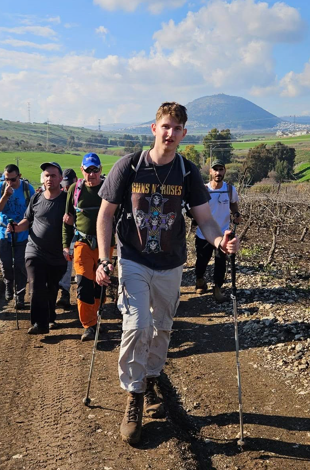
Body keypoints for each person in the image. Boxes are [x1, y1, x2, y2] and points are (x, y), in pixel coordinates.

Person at [95, 102, 239, 446]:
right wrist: (104, 259)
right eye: (166, 126)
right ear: (154, 128)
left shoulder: (187, 173)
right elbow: (105, 215)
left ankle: (152, 375)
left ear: (184, 134)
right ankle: (134, 394)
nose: (171, 133)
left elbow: (204, 219)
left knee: (162, 327)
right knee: (137, 325)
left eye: (177, 129)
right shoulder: (129, 167)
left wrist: (220, 240)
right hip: (133, 258)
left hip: (172, 263)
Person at [7, 162, 67, 335]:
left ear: (60, 179)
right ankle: (39, 324)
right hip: (35, 250)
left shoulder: (66, 200)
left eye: (53, 175)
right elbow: (27, 219)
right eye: (47, 175)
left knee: (51, 287)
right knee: (36, 286)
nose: (49, 179)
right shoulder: (36, 198)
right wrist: (17, 227)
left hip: (58, 254)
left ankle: (50, 316)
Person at [63, 153, 110, 342]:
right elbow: (67, 220)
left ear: (100, 170)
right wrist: (65, 245)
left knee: (100, 284)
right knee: (83, 284)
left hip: (105, 245)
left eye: (95, 170)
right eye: (88, 170)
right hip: (82, 243)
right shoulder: (75, 189)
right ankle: (89, 325)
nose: (91, 174)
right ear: (81, 170)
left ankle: (96, 316)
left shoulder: (108, 189)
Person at [194, 159, 241, 302]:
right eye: (215, 169)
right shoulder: (204, 190)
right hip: (204, 234)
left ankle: (217, 288)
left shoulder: (230, 189)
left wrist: (236, 214)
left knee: (221, 263)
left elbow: (234, 205)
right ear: (210, 172)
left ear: (224, 171)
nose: (218, 173)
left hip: (223, 234)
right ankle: (200, 280)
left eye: (221, 169)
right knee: (202, 261)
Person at [0, 164, 33, 308]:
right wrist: (5, 196)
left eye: (13, 179)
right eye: (6, 179)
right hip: (5, 233)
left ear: (19, 176)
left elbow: (33, 211)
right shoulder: (0, 187)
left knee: (21, 266)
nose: (9, 182)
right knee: (6, 264)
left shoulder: (28, 189)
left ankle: (20, 296)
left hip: (23, 234)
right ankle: (8, 283)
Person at [57, 168, 79, 309]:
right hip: (57, 233)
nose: (66, 187)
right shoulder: (58, 193)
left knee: (68, 263)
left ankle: (65, 292)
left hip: (75, 234)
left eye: (68, 184)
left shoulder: (78, 193)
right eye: (64, 184)